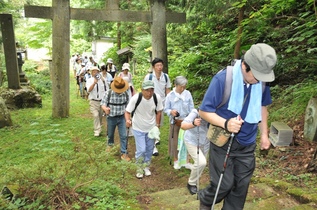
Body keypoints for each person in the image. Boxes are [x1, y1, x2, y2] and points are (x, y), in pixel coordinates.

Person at [198, 43, 277, 210]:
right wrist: (226, 123)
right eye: (256, 75)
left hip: (247, 143)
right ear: (244, 65)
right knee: (224, 184)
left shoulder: (261, 83)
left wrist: (264, 134)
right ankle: (206, 201)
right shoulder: (223, 80)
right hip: (222, 141)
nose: (259, 80)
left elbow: (263, 107)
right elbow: (204, 111)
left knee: (240, 188)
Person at [125, 80, 163, 179]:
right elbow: (127, 111)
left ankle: (146, 166)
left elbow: (159, 112)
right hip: (138, 128)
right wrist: (128, 120)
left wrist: (157, 125)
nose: (149, 93)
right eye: (147, 90)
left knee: (150, 149)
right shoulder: (136, 98)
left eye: (151, 90)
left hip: (151, 128)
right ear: (142, 90)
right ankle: (139, 167)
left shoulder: (156, 98)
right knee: (141, 149)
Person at [164, 76, 194, 169]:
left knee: (188, 140)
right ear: (175, 85)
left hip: (185, 121)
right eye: (180, 86)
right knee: (175, 141)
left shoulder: (187, 94)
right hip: (175, 122)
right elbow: (166, 109)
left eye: (184, 86)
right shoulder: (170, 95)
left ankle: (187, 161)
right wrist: (171, 112)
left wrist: (191, 118)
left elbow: (191, 108)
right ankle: (176, 160)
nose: (182, 89)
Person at [144, 57, 172, 156]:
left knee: (158, 122)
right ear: (153, 67)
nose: (159, 67)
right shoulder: (149, 77)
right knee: (151, 123)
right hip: (151, 102)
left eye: (161, 65)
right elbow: (145, 90)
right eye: (157, 66)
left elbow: (168, 90)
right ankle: (153, 147)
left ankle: (155, 138)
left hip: (162, 103)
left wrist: (169, 102)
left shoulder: (166, 77)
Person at [101, 77, 131, 161]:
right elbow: (103, 104)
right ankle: (110, 146)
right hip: (111, 117)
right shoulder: (109, 93)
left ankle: (124, 152)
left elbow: (128, 107)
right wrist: (105, 109)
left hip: (122, 117)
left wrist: (128, 119)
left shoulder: (126, 94)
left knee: (123, 135)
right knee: (110, 134)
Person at [181, 109, 209, 195]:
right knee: (201, 162)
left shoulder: (214, 113)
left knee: (200, 164)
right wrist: (193, 124)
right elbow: (183, 125)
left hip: (206, 142)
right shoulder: (195, 112)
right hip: (192, 140)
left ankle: (195, 179)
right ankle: (191, 183)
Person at [86, 66, 107, 137]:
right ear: (91, 73)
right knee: (95, 115)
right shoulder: (89, 80)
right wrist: (94, 83)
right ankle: (97, 130)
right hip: (93, 101)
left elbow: (106, 90)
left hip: (101, 101)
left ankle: (99, 128)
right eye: (93, 71)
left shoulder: (103, 80)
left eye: (96, 71)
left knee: (100, 116)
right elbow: (88, 90)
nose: (95, 73)